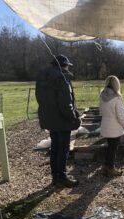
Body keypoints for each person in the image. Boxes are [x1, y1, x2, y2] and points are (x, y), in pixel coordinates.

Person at [35, 54, 81, 187]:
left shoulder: (44, 79)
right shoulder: (61, 79)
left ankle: (55, 176)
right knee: (63, 150)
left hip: (50, 120)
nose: (68, 68)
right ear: (63, 65)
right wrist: (73, 117)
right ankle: (61, 176)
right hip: (62, 121)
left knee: (55, 148)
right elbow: (66, 103)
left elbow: (41, 99)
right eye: (67, 65)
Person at [99, 75, 124, 177]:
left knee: (110, 147)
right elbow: (120, 115)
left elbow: (100, 111)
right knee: (113, 148)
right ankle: (110, 168)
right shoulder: (117, 98)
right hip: (115, 126)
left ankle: (106, 166)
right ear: (116, 84)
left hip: (105, 124)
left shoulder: (102, 95)